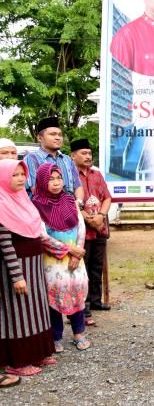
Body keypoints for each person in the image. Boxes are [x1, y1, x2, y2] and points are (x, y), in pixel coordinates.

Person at [0, 160, 59, 381]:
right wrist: (17, 277)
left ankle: (38, 353)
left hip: (33, 266)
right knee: (18, 314)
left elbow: (37, 233)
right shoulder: (2, 204)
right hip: (16, 269)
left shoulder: (23, 199)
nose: (20, 178)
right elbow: (5, 245)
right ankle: (18, 362)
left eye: (22, 174)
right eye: (14, 175)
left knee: (36, 310)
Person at [32, 163, 90, 352]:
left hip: (76, 259)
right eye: (51, 179)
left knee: (77, 291)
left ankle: (78, 333)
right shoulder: (36, 205)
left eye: (59, 178)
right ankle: (55, 336)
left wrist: (78, 252)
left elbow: (81, 227)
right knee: (54, 295)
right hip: (53, 260)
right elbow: (42, 236)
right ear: (42, 182)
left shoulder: (70, 200)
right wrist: (69, 250)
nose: (56, 183)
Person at [70, 139, 112, 326]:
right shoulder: (69, 175)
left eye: (89, 153)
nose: (88, 156)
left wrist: (101, 216)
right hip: (80, 230)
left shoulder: (97, 174)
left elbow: (107, 198)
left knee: (96, 266)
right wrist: (88, 218)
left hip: (100, 228)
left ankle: (95, 301)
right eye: (83, 153)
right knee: (83, 268)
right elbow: (69, 200)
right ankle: (83, 307)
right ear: (73, 156)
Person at [24, 117, 84, 202]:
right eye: (53, 134)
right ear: (40, 138)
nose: (58, 137)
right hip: (44, 208)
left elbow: (78, 186)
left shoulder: (67, 159)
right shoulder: (31, 159)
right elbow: (35, 189)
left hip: (71, 207)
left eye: (60, 135)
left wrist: (78, 202)